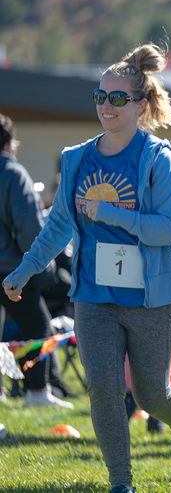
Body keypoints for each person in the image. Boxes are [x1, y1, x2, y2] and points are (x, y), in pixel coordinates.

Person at [3, 44, 171, 493]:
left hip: (152, 295)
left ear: (140, 104)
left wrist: (110, 213)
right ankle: (121, 483)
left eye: (117, 98)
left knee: (151, 394)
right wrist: (24, 269)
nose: (106, 106)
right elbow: (59, 225)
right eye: (100, 96)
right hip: (94, 293)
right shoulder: (76, 157)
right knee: (104, 390)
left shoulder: (156, 157)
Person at [0, 113, 72, 409]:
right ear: (10, 143)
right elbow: (29, 226)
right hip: (11, 270)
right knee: (38, 327)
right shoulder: (13, 174)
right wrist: (42, 265)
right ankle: (37, 392)